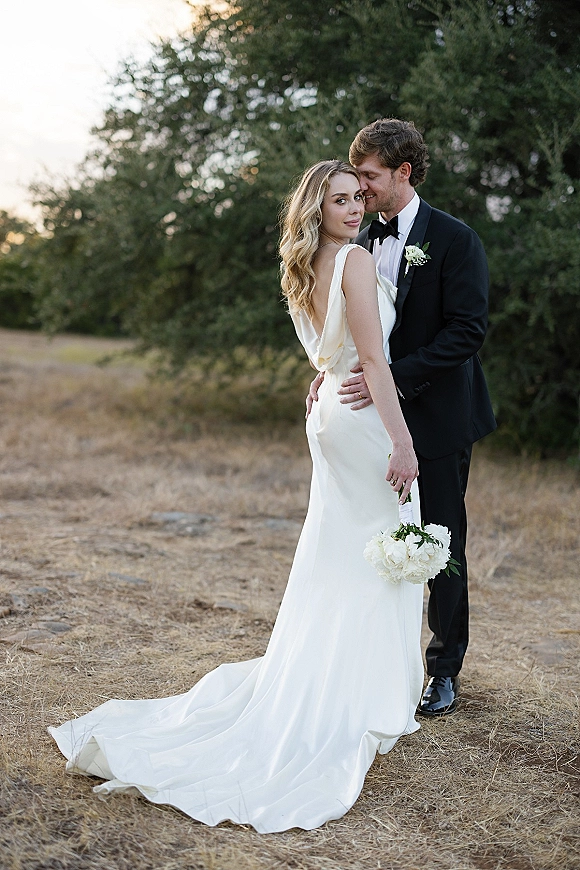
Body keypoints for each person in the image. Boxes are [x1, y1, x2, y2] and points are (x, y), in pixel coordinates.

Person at [48, 160, 425, 833]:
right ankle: (358, 700)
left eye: (355, 199)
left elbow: (327, 355)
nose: (353, 210)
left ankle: (343, 686)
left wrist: (324, 378)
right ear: (316, 207)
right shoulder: (359, 264)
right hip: (362, 424)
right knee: (378, 555)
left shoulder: (306, 267)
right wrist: (402, 443)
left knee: (339, 556)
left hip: (326, 417)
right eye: (339, 201)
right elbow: (372, 363)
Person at [309, 120, 496, 716]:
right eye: (353, 180)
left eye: (368, 178)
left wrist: (393, 375)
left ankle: (444, 668)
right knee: (367, 537)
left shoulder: (455, 239)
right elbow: (353, 326)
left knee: (441, 538)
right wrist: (333, 369)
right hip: (369, 422)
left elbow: (468, 331)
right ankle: (370, 662)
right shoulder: (355, 247)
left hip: (438, 415)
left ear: (403, 173)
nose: (360, 191)